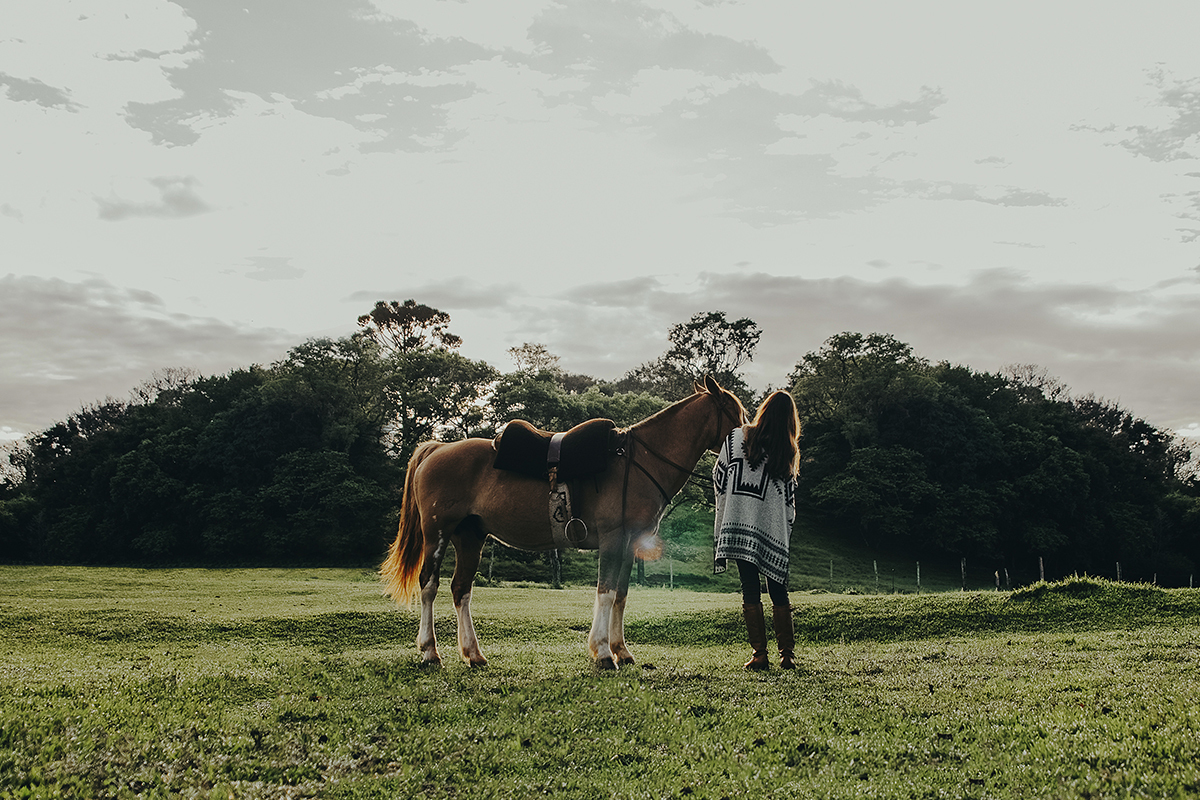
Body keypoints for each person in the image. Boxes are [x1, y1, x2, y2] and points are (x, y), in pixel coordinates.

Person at [712, 390, 800, 670]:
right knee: (778, 590)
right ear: (790, 420)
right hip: (771, 529)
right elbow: (788, 499)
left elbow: (718, 475)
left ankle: (759, 654)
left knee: (749, 588)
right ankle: (787, 654)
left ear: (763, 410)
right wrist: (784, 525)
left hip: (738, 524)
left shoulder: (736, 438)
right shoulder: (787, 450)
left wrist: (731, 504)